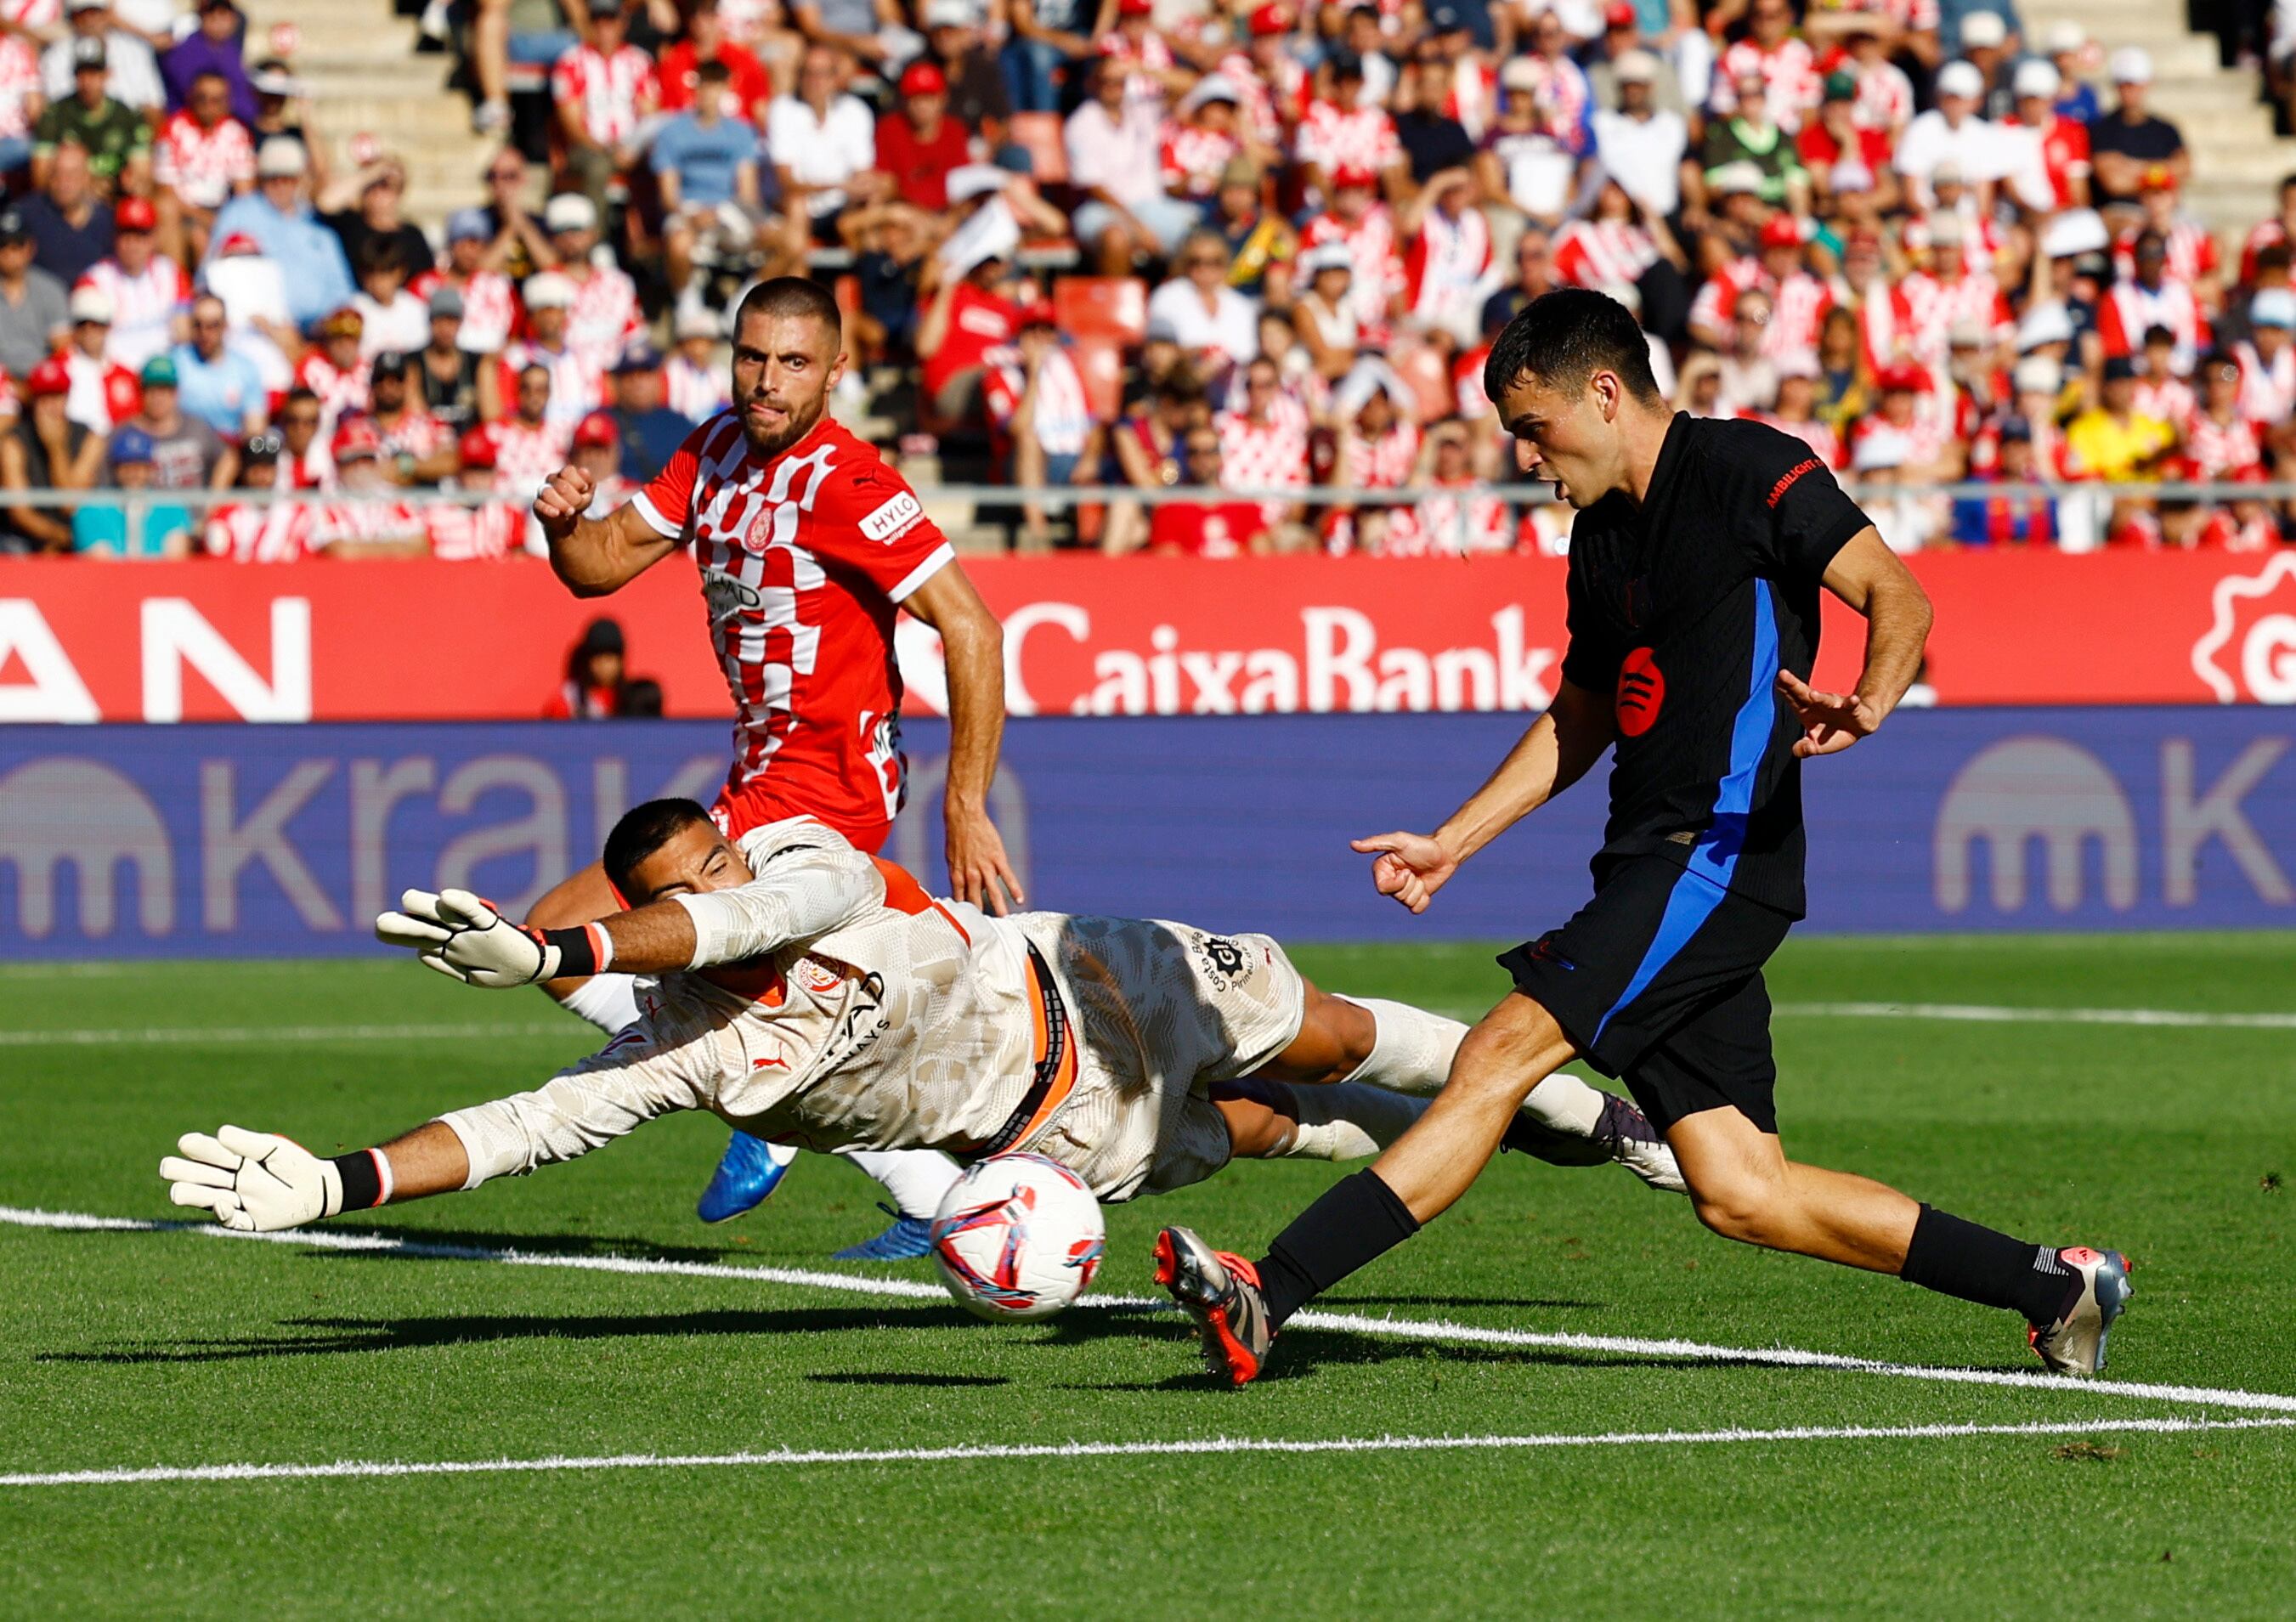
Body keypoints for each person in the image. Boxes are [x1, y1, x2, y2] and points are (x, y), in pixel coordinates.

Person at [1150, 288, 2133, 1387]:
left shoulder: (1744, 468)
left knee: (1496, 1054)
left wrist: (1867, 700)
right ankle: (2055, 1286)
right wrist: (1453, 840)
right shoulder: (1600, 538)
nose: (1526, 457)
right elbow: (1580, 715)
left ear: (1605, 394)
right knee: (1740, 1189)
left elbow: (1896, 596)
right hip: (1659, 865)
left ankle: (1267, 1292)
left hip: (1711, 857)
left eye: (1534, 428)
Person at [165, 801, 1676, 1232]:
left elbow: (750, 914)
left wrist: (557, 940)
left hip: (1085, 973)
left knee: (1335, 1030)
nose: (732, 870)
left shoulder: (800, 863)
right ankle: (1505, 1120)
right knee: (1284, 1125)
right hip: (1053, 1133)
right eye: (697, 873)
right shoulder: (692, 1045)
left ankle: (1588, 1108)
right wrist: (337, 1178)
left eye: (717, 855)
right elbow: (525, 1128)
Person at [519, 275, 1022, 1253]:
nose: (765, 380)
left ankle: (766, 1096)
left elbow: (973, 627)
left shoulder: (851, 482)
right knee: (576, 936)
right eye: (752, 356)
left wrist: (967, 803)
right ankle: (905, 1178)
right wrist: (561, 525)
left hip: (825, 789)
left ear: (835, 370)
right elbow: (598, 566)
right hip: (755, 779)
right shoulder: (711, 451)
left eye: (793, 362)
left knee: (569, 932)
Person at [206, 138, 356, 331]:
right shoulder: (238, 213)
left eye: (288, 179)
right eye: (273, 179)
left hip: (317, 332)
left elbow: (341, 289)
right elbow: (212, 272)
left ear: (300, 179)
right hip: (252, 327)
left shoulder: (317, 224)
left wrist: (325, 325)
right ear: (261, 179)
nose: (281, 186)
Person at [2, 355, 101, 552]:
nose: (50, 406)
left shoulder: (89, 438)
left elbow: (71, 504)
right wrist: (58, 537)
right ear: (34, 400)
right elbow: (20, 513)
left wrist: (56, 448)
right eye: (43, 397)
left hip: (76, 535)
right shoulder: (14, 442)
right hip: (30, 539)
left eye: (56, 396)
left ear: (67, 397)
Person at [74, 423, 194, 556]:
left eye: (140, 465)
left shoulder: (171, 506)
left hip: (160, 575)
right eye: (126, 465)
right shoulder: (92, 508)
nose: (134, 473)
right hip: (111, 576)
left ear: (151, 469)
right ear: (115, 469)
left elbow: (176, 557)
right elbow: (99, 561)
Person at [168, 291, 266, 436]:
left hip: (231, 447)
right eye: (198, 325)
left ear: (225, 326)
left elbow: (254, 428)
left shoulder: (246, 369)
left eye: (212, 326)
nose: (204, 333)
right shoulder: (175, 363)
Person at [0, 206, 71, 379]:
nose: (10, 253)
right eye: (3, 246)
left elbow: (63, 349)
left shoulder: (51, 289)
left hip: (42, 379)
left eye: (17, 245)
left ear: (31, 248)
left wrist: (43, 380)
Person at [544, 615, 635, 717]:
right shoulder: (569, 701)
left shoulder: (634, 700)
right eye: (598, 658)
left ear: (620, 661)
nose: (604, 666)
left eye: (609, 659)